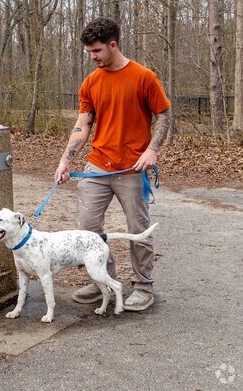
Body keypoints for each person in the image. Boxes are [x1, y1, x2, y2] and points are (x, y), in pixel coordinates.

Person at [54, 17, 171, 312]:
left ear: (113, 45)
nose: (92, 57)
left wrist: (152, 150)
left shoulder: (144, 77)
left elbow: (165, 115)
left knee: (138, 228)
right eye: (89, 52)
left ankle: (143, 287)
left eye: (96, 51)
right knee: (88, 229)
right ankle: (103, 282)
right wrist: (65, 160)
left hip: (133, 169)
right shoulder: (91, 82)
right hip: (96, 166)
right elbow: (83, 124)